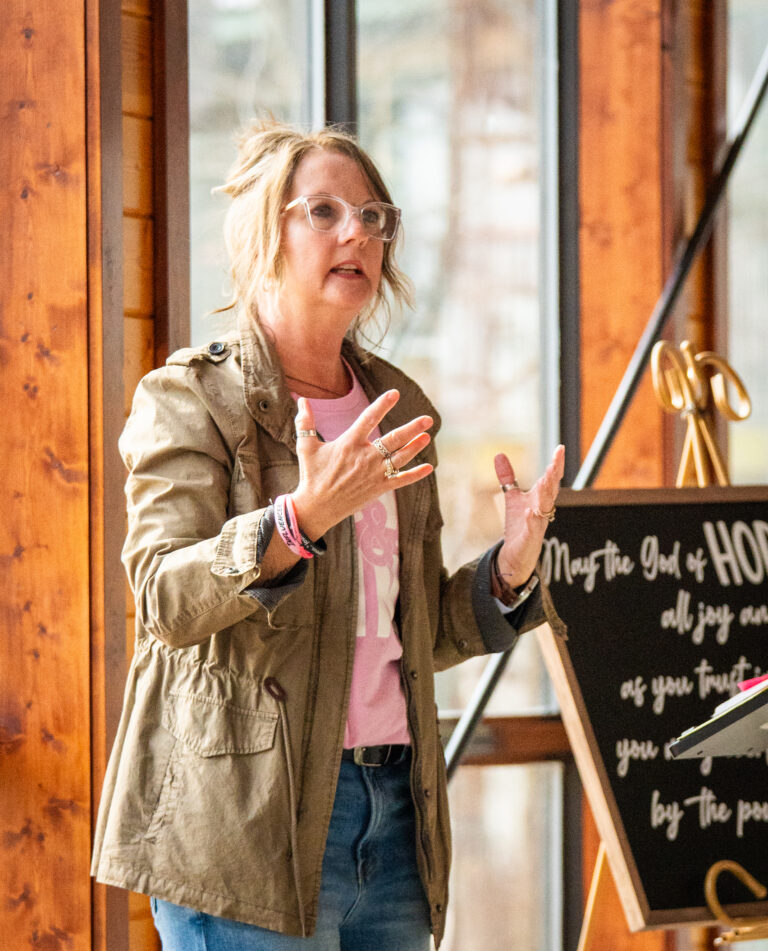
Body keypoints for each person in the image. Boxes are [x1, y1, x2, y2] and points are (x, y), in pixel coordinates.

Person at [91, 119, 566, 950]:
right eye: (324, 211)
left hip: (397, 820)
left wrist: (508, 571)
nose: (358, 233)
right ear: (264, 233)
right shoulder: (189, 397)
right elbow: (165, 599)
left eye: (374, 216)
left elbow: (415, 632)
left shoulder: (400, 405)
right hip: (243, 831)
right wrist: (298, 520)